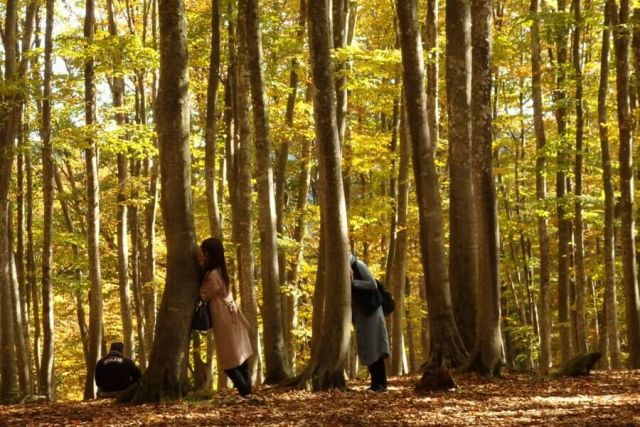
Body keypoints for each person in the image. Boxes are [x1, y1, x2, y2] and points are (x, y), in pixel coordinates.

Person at [197, 237, 254, 399]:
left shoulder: (213, 274)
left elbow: (204, 294)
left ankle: (245, 391)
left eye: (204, 251)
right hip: (231, 314)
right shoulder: (221, 270)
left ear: (209, 253)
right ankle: (247, 391)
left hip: (224, 317)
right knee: (239, 356)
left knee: (229, 360)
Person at [350, 254, 390, 392]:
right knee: (368, 346)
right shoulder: (346, 269)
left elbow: (372, 283)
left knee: (376, 346)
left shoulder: (358, 265)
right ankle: (375, 383)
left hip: (372, 311)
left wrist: (354, 282)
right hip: (361, 313)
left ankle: (381, 384)